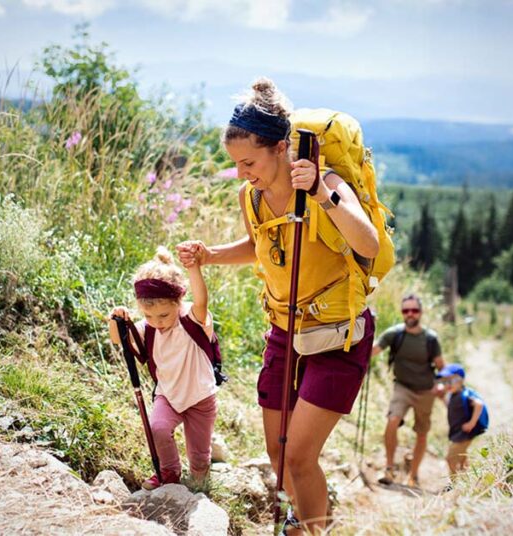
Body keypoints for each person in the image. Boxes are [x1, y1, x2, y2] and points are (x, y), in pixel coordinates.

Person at [176, 77, 379, 534]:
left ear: (282, 148)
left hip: (337, 334)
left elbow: (366, 242)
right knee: (278, 453)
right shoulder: (251, 195)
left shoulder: (326, 182)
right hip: (285, 332)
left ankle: (312, 529)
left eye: (249, 162)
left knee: (300, 456)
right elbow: (258, 245)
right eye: (235, 164)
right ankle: (303, 519)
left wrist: (322, 195)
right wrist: (210, 255)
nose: (241, 173)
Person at [108, 247, 218, 490]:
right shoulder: (149, 329)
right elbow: (118, 339)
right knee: (157, 428)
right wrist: (115, 320)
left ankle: (200, 481)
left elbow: (201, 301)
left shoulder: (192, 319)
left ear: (179, 302)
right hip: (168, 394)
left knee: (199, 455)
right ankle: (169, 472)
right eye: (148, 316)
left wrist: (194, 268)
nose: (157, 322)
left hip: (200, 397)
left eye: (164, 315)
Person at [370, 294, 444, 487]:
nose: (410, 314)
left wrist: (441, 386)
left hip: (426, 391)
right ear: (402, 312)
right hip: (402, 387)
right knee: (392, 420)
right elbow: (372, 350)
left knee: (421, 433)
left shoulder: (430, 339)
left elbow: (441, 367)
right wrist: (367, 329)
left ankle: (413, 474)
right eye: (406, 310)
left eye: (414, 310)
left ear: (421, 312)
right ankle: (389, 469)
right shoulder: (394, 334)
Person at [438, 363, 488, 480]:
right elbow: (452, 408)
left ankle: (455, 483)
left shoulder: (465, 394)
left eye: (452, 381)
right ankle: (468, 479)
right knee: (462, 459)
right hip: (457, 432)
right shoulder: (453, 395)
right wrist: (442, 399)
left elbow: (479, 404)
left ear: (461, 380)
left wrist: (472, 423)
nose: (448, 384)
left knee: (450, 458)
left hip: (464, 433)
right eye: (445, 381)